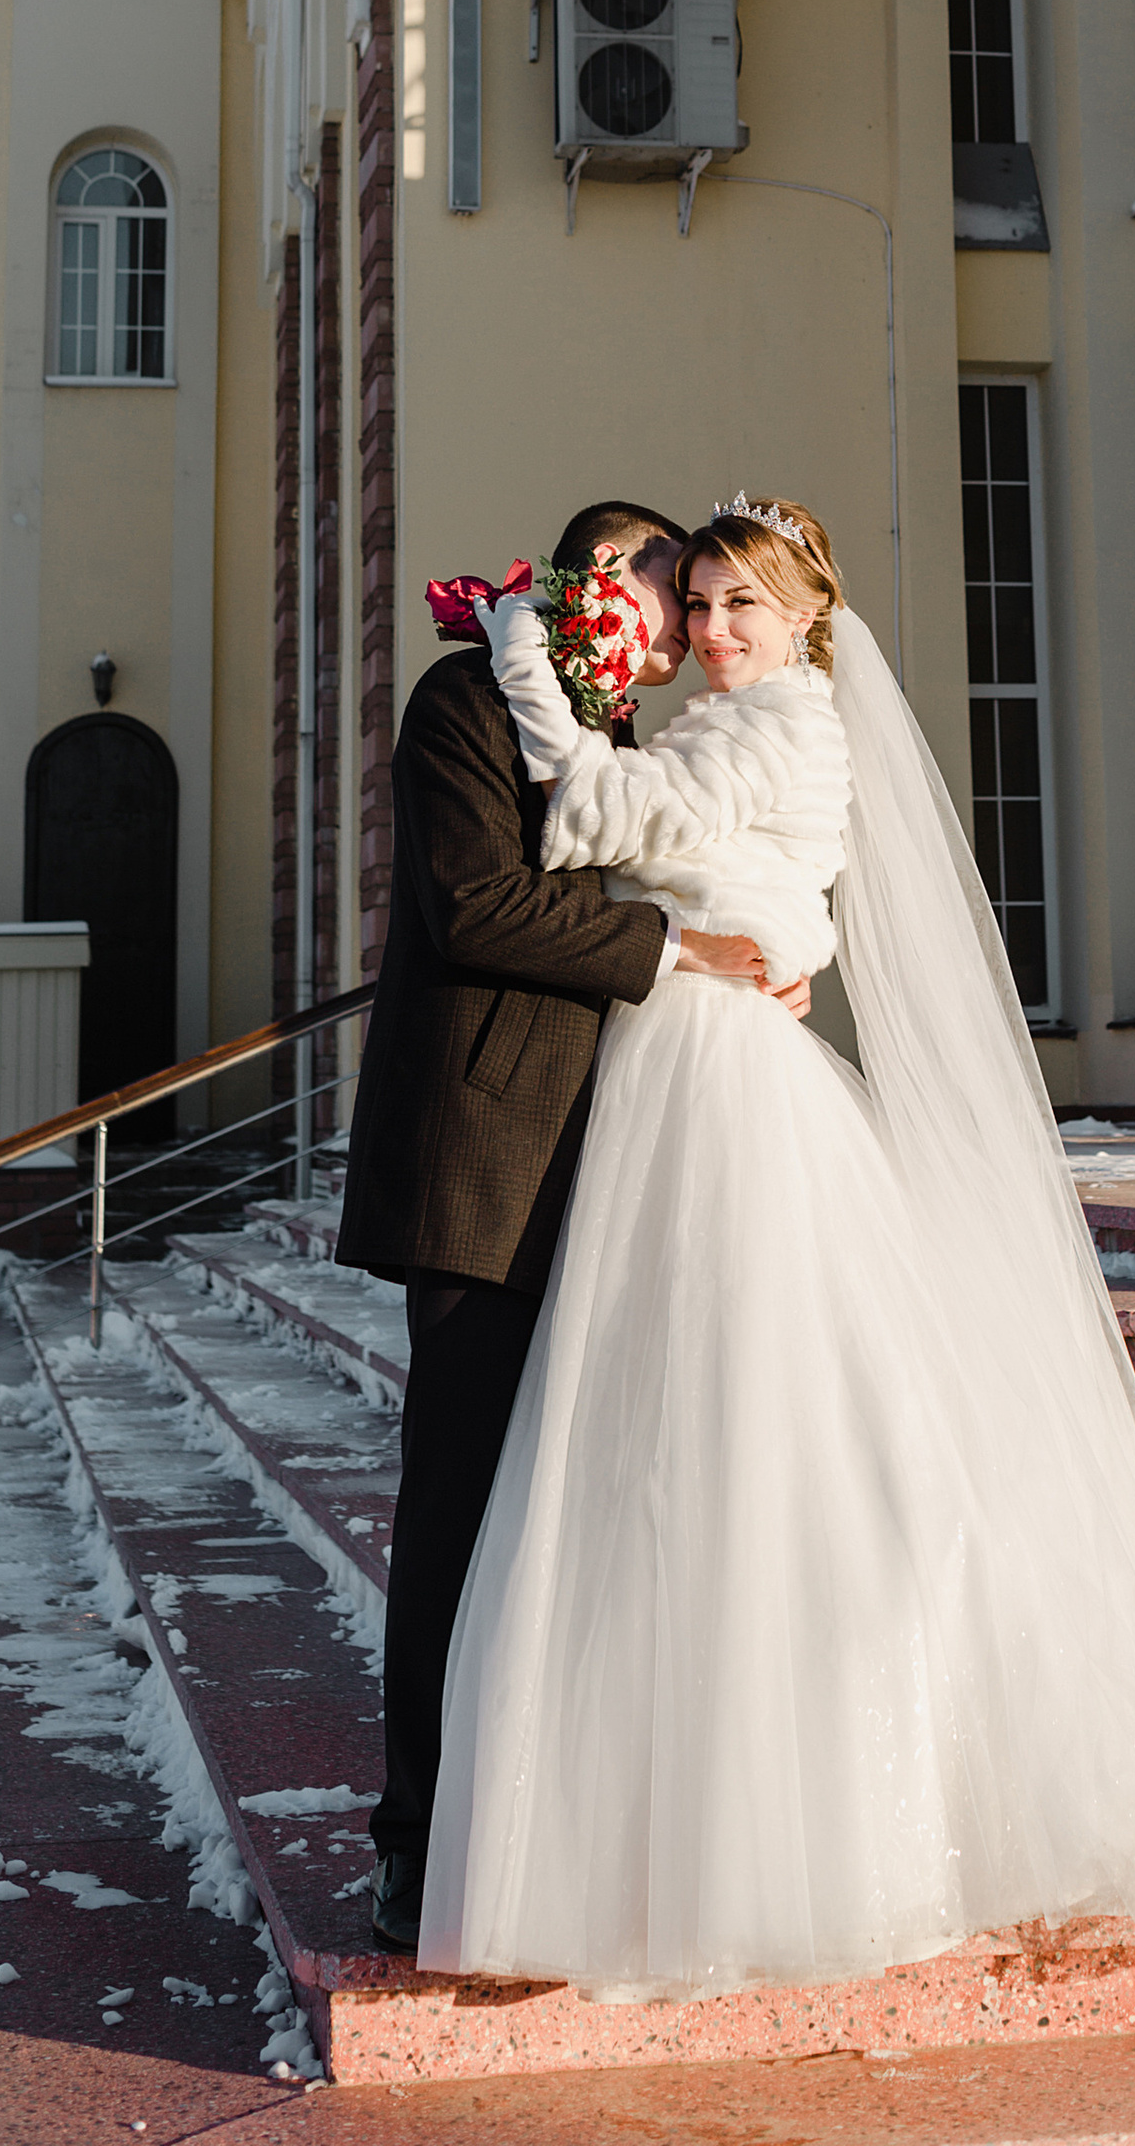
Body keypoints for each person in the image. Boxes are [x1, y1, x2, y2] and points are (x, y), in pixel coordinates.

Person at [419, 498, 1135, 2000]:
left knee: (752, 1436)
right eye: (695, 604)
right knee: (678, 1437)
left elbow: (591, 817)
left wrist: (519, 645)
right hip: (682, 1064)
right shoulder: (768, 723)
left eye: (737, 606)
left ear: (803, 619)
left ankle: (794, 1826)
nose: (709, 631)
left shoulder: (769, 726)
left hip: (716, 1082)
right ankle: (670, 1805)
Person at [333, 498, 801, 1956]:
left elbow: (710, 858)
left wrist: (763, 960)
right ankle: (416, 1839)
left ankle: (551, 1824)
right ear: (607, 579)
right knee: (462, 1498)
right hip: (482, 1152)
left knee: (582, 1508)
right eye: (672, 585)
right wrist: (683, 953)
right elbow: (479, 905)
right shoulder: (465, 695)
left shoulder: (639, 738)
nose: (688, 621)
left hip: (613, 1153)